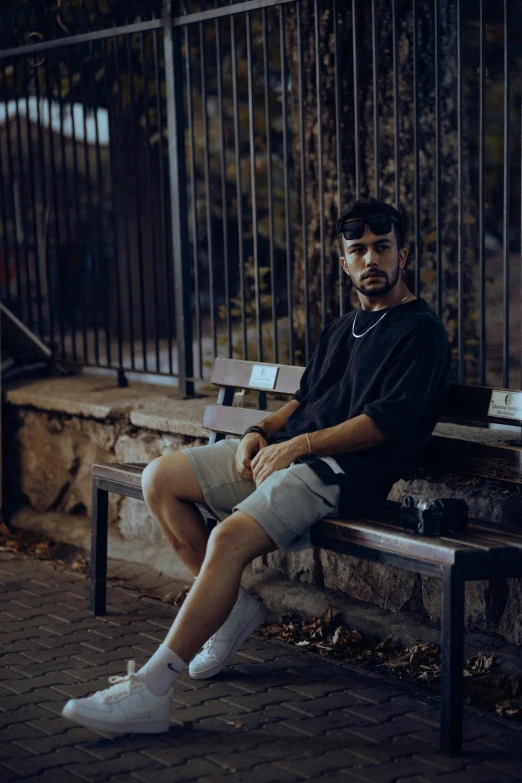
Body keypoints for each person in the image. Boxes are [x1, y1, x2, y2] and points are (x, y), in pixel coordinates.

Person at [62, 196, 451, 734]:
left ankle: (152, 691)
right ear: (344, 263)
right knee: (160, 479)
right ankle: (234, 610)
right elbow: (308, 397)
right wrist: (258, 430)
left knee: (227, 541)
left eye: (382, 248)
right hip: (291, 453)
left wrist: (298, 446)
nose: (371, 260)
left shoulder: (421, 332)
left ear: (403, 254)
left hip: (340, 474)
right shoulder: (343, 329)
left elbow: (385, 423)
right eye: (358, 251)